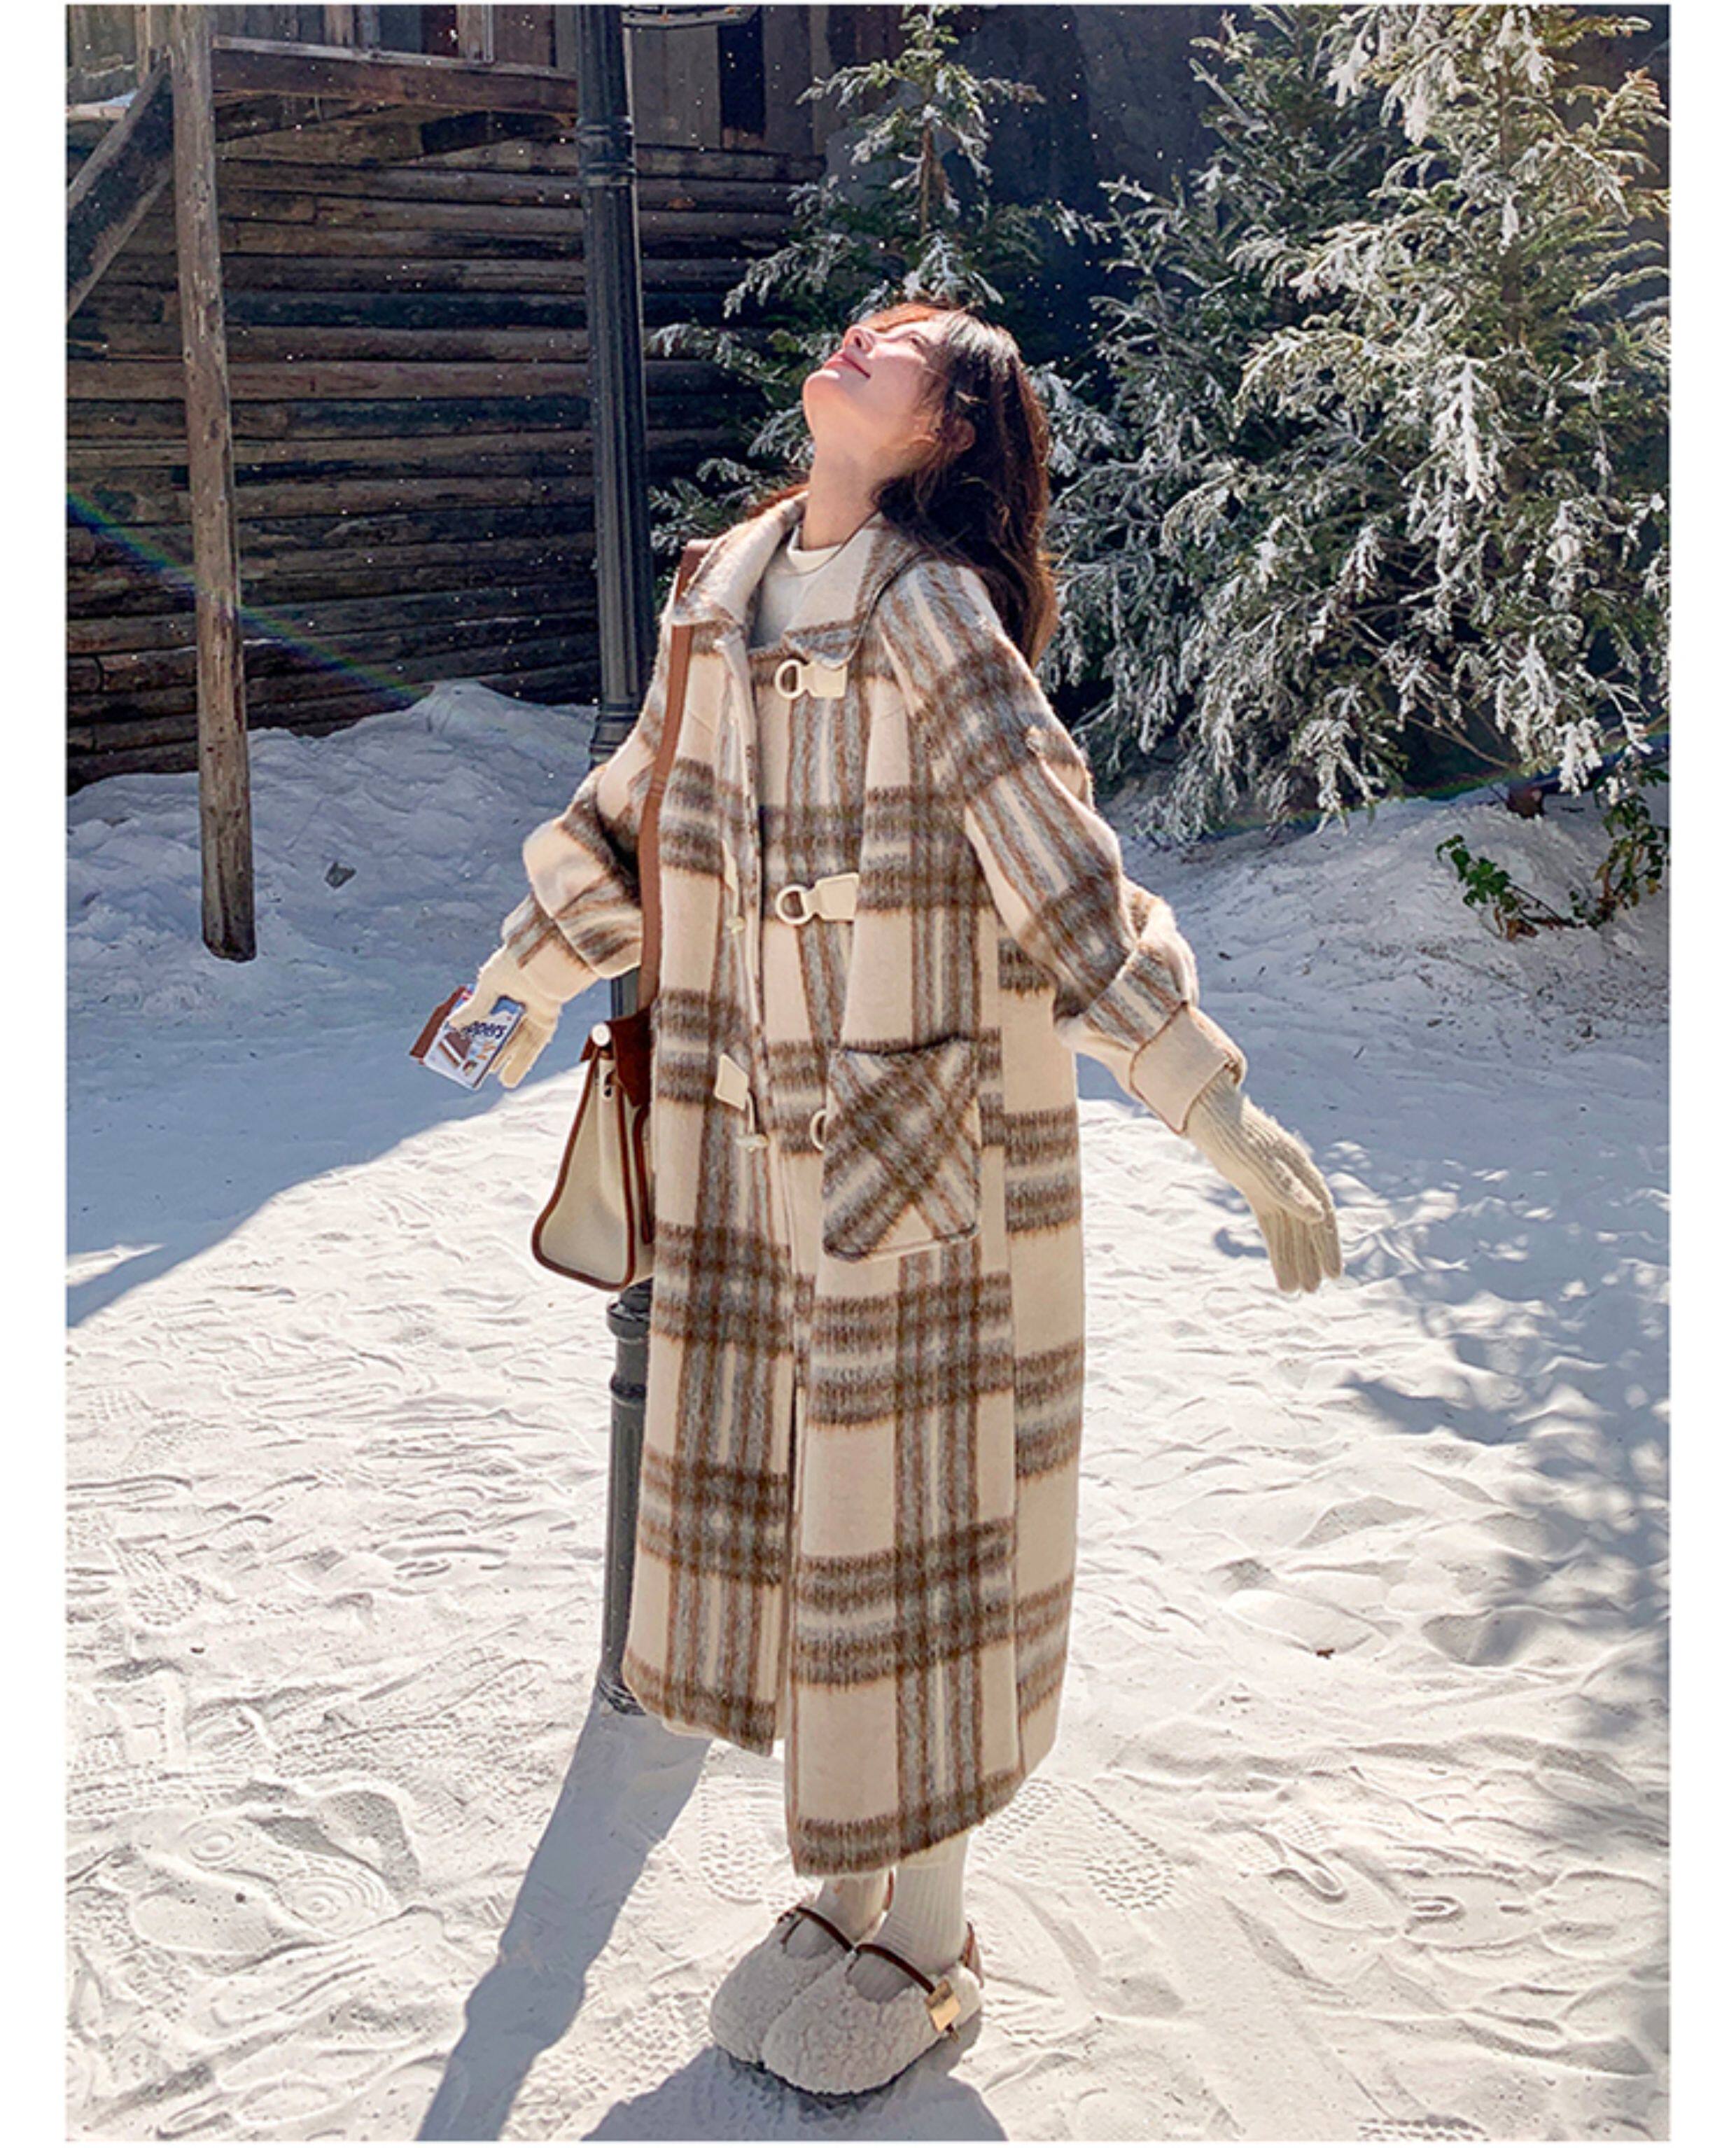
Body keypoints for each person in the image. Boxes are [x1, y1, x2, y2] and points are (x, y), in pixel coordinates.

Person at [450, 299, 1343, 2097]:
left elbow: (1063, 880)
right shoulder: (723, 589)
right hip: (744, 1151)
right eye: (870, 323)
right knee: (810, 1537)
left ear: (947, 433)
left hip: (925, 1154)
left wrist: (1213, 1104)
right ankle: (848, 1889)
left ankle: (928, 1936)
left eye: (916, 345)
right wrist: (522, 974)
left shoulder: (934, 610)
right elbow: (633, 817)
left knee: (919, 1536)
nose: (871, 338)